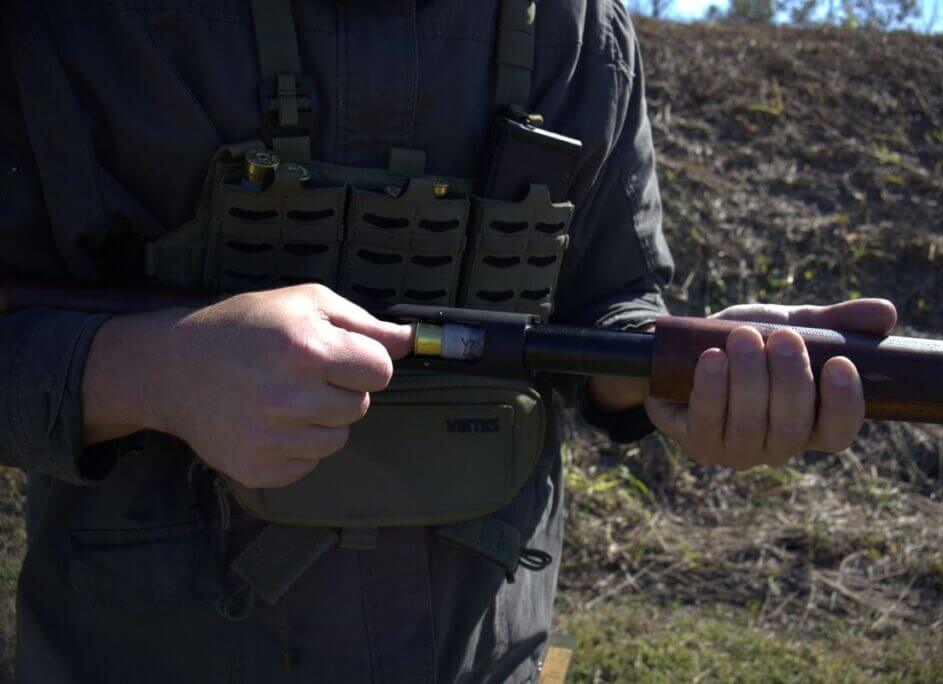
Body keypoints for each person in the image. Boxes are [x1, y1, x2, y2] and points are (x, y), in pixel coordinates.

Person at [0, 1, 896, 681]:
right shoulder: (68, 23)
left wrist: (688, 373)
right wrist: (151, 372)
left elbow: (609, 301)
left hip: (486, 656)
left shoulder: (582, 25)